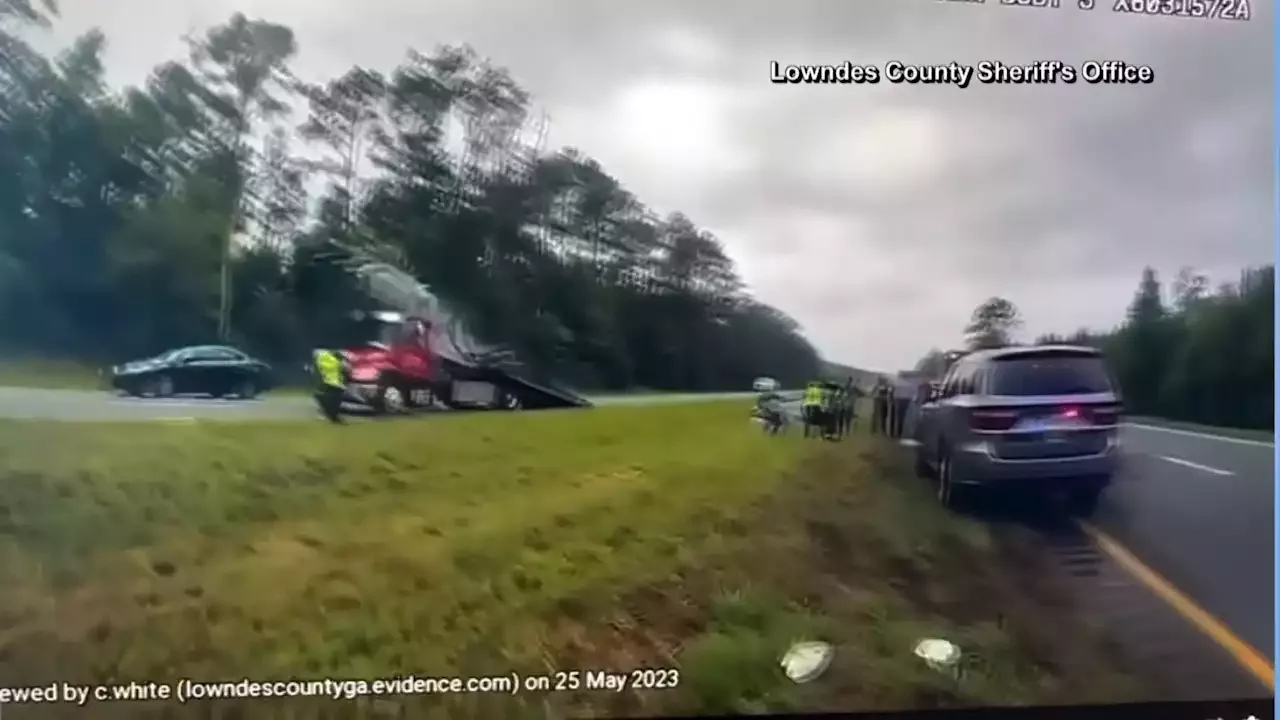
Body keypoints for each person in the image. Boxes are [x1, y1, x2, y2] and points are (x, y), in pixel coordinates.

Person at [312, 348, 347, 424]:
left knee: (330, 402)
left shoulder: (326, 360)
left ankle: (331, 416)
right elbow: (344, 372)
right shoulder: (338, 363)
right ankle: (332, 416)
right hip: (334, 385)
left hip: (327, 385)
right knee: (333, 402)